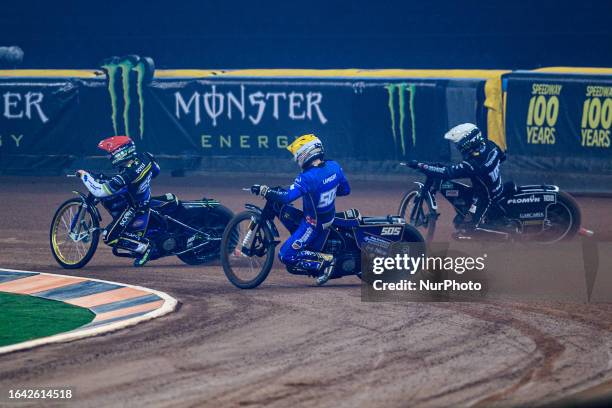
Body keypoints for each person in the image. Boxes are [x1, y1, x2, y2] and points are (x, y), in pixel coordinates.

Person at [251, 134, 350, 285]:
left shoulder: (307, 177)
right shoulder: (334, 166)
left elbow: (287, 198)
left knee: (285, 255)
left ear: (306, 153)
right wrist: (324, 189)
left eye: (297, 154)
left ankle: (326, 261)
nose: (296, 158)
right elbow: (345, 190)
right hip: (328, 217)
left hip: (312, 224)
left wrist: (266, 191)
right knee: (284, 211)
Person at [408, 123, 506, 237]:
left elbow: (447, 173)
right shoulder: (491, 146)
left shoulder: (472, 164)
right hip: (497, 188)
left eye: (459, 145)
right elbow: (503, 157)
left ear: (469, 143)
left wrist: (420, 165)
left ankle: (485, 231)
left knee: (468, 230)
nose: (459, 148)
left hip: (485, 199)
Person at [76, 135, 160, 266]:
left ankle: (145, 247)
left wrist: (85, 176)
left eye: (111, 154)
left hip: (134, 208)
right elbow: (156, 171)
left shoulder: (127, 175)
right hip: (144, 197)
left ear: (121, 153)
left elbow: (100, 191)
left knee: (109, 237)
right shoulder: (146, 157)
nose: (109, 157)